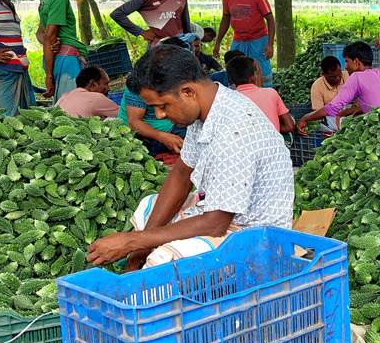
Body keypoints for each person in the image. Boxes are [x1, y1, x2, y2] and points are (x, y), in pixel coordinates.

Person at [85, 44, 294, 270]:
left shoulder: (235, 130)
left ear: (188, 92)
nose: (159, 115)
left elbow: (216, 223)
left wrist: (132, 241)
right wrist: (143, 243)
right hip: (217, 211)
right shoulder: (208, 109)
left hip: (255, 236)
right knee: (149, 205)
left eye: (162, 106)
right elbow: (182, 174)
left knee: (163, 262)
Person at [296, 42, 380, 135]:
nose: (345, 66)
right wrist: (348, 112)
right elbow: (378, 105)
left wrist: (306, 118)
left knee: (327, 123)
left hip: (379, 127)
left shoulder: (356, 77)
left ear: (356, 61)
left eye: (347, 61)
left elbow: (332, 108)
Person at [119, 38, 189, 156]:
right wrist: (164, 137)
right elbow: (134, 122)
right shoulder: (140, 82)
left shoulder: (175, 79)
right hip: (143, 136)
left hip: (171, 128)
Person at [214, 0, 276, 87]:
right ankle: (237, 96)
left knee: (261, 70)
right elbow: (225, 19)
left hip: (258, 39)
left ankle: (265, 96)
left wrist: (270, 44)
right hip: (239, 39)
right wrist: (217, 43)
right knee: (235, 69)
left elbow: (270, 20)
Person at [38, 0, 89, 102]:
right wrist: (48, 77)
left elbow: (41, 33)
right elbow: (48, 36)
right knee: (72, 106)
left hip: (58, 58)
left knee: (63, 104)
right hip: (66, 61)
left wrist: (51, 44)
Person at [228, 56, 295, 134]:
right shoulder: (271, 93)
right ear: (253, 76)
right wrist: (270, 129)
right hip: (272, 143)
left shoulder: (228, 100)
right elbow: (289, 126)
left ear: (231, 80)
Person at [55, 67, 120, 119]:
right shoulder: (96, 98)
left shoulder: (63, 98)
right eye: (106, 84)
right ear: (93, 84)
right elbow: (126, 114)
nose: (108, 88)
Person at [310, 56, 348, 132]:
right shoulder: (317, 87)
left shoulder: (348, 76)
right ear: (323, 74)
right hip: (331, 119)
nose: (337, 78)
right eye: (333, 77)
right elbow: (318, 113)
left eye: (339, 74)